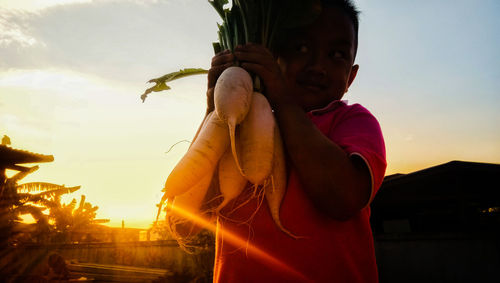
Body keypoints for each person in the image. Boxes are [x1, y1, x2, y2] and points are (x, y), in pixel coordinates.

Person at [205, 0, 386, 281]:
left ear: (351, 76)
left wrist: (284, 102)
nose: (317, 65)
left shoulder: (354, 121)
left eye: (336, 54)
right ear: (274, 57)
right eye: (300, 48)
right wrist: (214, 110)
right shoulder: (239, 124)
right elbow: (201, 211)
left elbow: (343, 198)